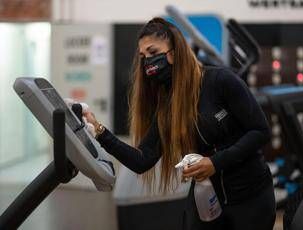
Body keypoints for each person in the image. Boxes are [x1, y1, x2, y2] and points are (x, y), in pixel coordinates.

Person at [84, 17, 276, 230]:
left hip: (250, 197)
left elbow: (260, 131)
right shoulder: (167, 106)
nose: (148, 61)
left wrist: (214, 163)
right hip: (208, 198)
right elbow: (142, 160)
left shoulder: (221, 81)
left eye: (153, 52)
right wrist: (100, 131)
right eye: (143, 56)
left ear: (174, 54)